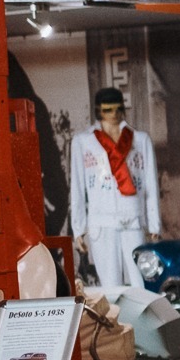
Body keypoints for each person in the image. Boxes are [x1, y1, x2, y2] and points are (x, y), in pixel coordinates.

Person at [68, 87, 158, 289]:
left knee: (142, 284)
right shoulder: (83, 142)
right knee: (110, 287)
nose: (114, 114)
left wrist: (154, 225)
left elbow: (150, 186)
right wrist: (79, 229)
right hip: (102, 222)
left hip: (133, 219)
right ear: (99, 110)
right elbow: (78, 188)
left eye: (118, 109)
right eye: (108, 109)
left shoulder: (140, 140)